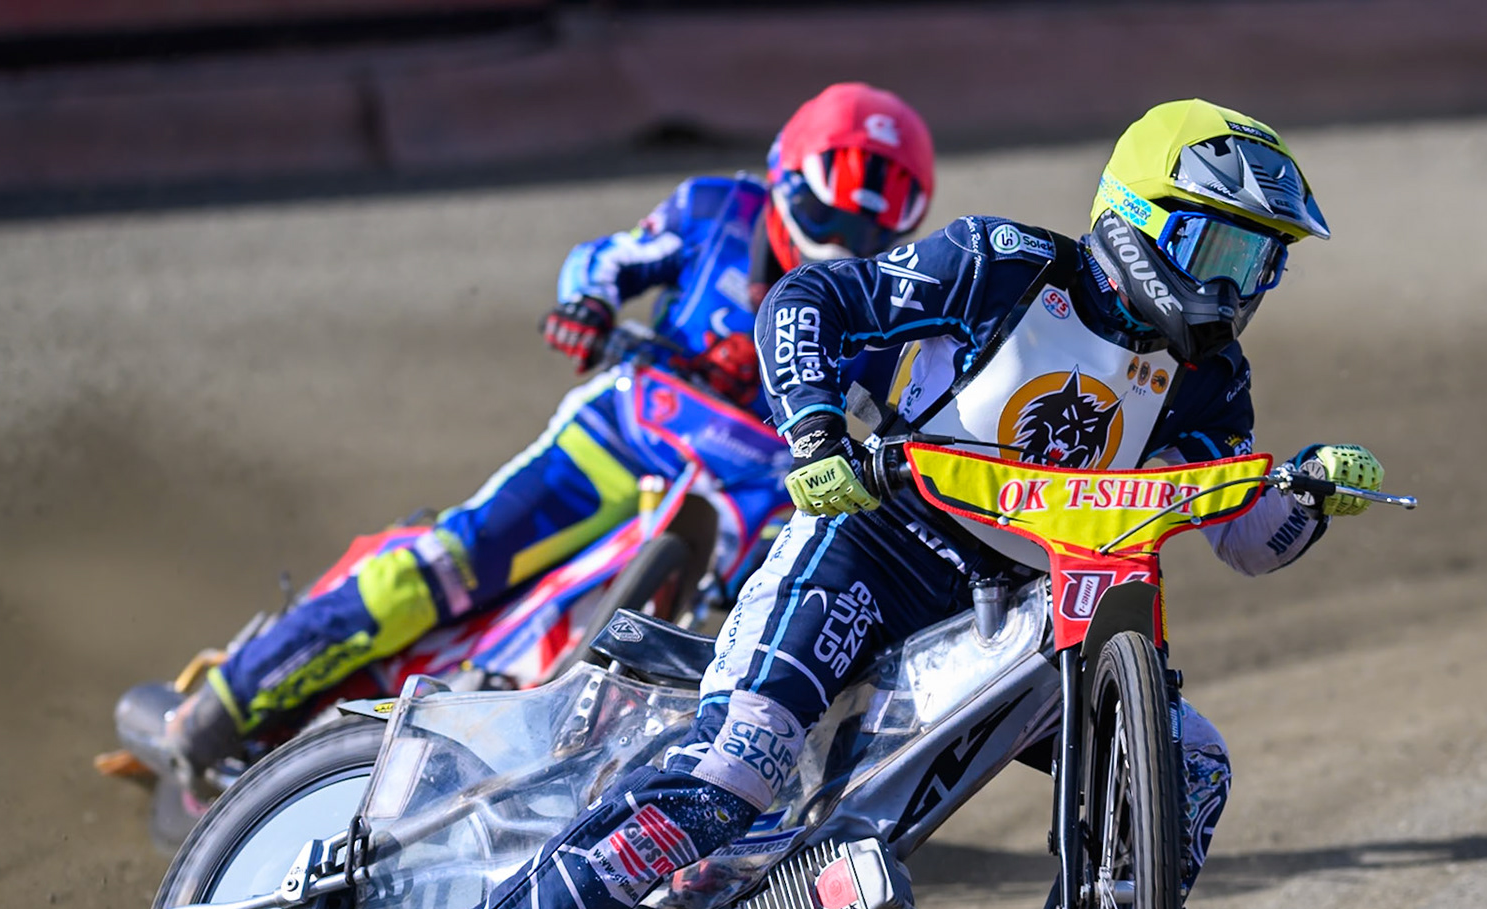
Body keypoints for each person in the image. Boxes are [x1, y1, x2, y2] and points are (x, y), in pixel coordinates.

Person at [393, 100, 1389, 909]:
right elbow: (806, 303)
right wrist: (815, 429)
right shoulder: (1004, 264)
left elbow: (1249, 540)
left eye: (1260, 262)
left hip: (1020, 605)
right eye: (1219, 247)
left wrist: (1304, 493)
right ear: (1143, 217)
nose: (1234, 287)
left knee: (1189, 762)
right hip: (871, 547)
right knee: (738, 762)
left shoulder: (1209, 373)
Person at [159, 82, 936, 789]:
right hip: (623, 433)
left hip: (754, 493)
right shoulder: (714, 210)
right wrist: (587, 307)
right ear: (785, 177)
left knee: (778, 633)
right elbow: (603, 261)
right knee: (446, 563)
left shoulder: (885, 307)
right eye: (831, 213)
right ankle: (225, 707)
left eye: (870, 228)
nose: (845, 240)